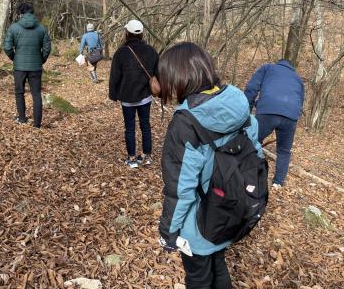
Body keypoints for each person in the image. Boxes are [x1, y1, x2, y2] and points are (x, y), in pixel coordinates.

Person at [157, 42, 264, 289]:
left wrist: (168, 233)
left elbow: (180, 188)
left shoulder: (186, 123)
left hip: (200, 223)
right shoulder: (237, 104)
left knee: (198, 277)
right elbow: (254, 155)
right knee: (218, 263)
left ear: (177, 77)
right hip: (231, 209)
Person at [244, 59, 304, 188]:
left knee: (252, 141)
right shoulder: (298, 79)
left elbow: (252, 88)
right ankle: (278, 183)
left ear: (278, 63)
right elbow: (301, 99)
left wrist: (246, 110)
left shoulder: (268, 68)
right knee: (284, 151)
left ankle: (247, 173)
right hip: (291, 116)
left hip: (268, 110)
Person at [108, 19, 159, 168]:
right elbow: (158, 73)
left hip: (127, 97)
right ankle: (146, 156)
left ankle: (131, 159)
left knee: (129, 127)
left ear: (127, 33)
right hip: (145, 97)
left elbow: (114, 76)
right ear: (141, 34)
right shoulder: (151, 51)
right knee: (145, 125)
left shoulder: (121, 52)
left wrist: (113, 94)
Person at [4, 2, 51, 128]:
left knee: (19, 92)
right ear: (32, 12)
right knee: (36, 94)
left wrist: (15, 58)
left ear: (21, 13)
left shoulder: (13, 28)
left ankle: (22, 118)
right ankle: (37, 124)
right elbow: (47, 48)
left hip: (19, 67)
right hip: (36, 67)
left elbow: (7, 47)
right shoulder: (41, 28)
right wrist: (41, 60)